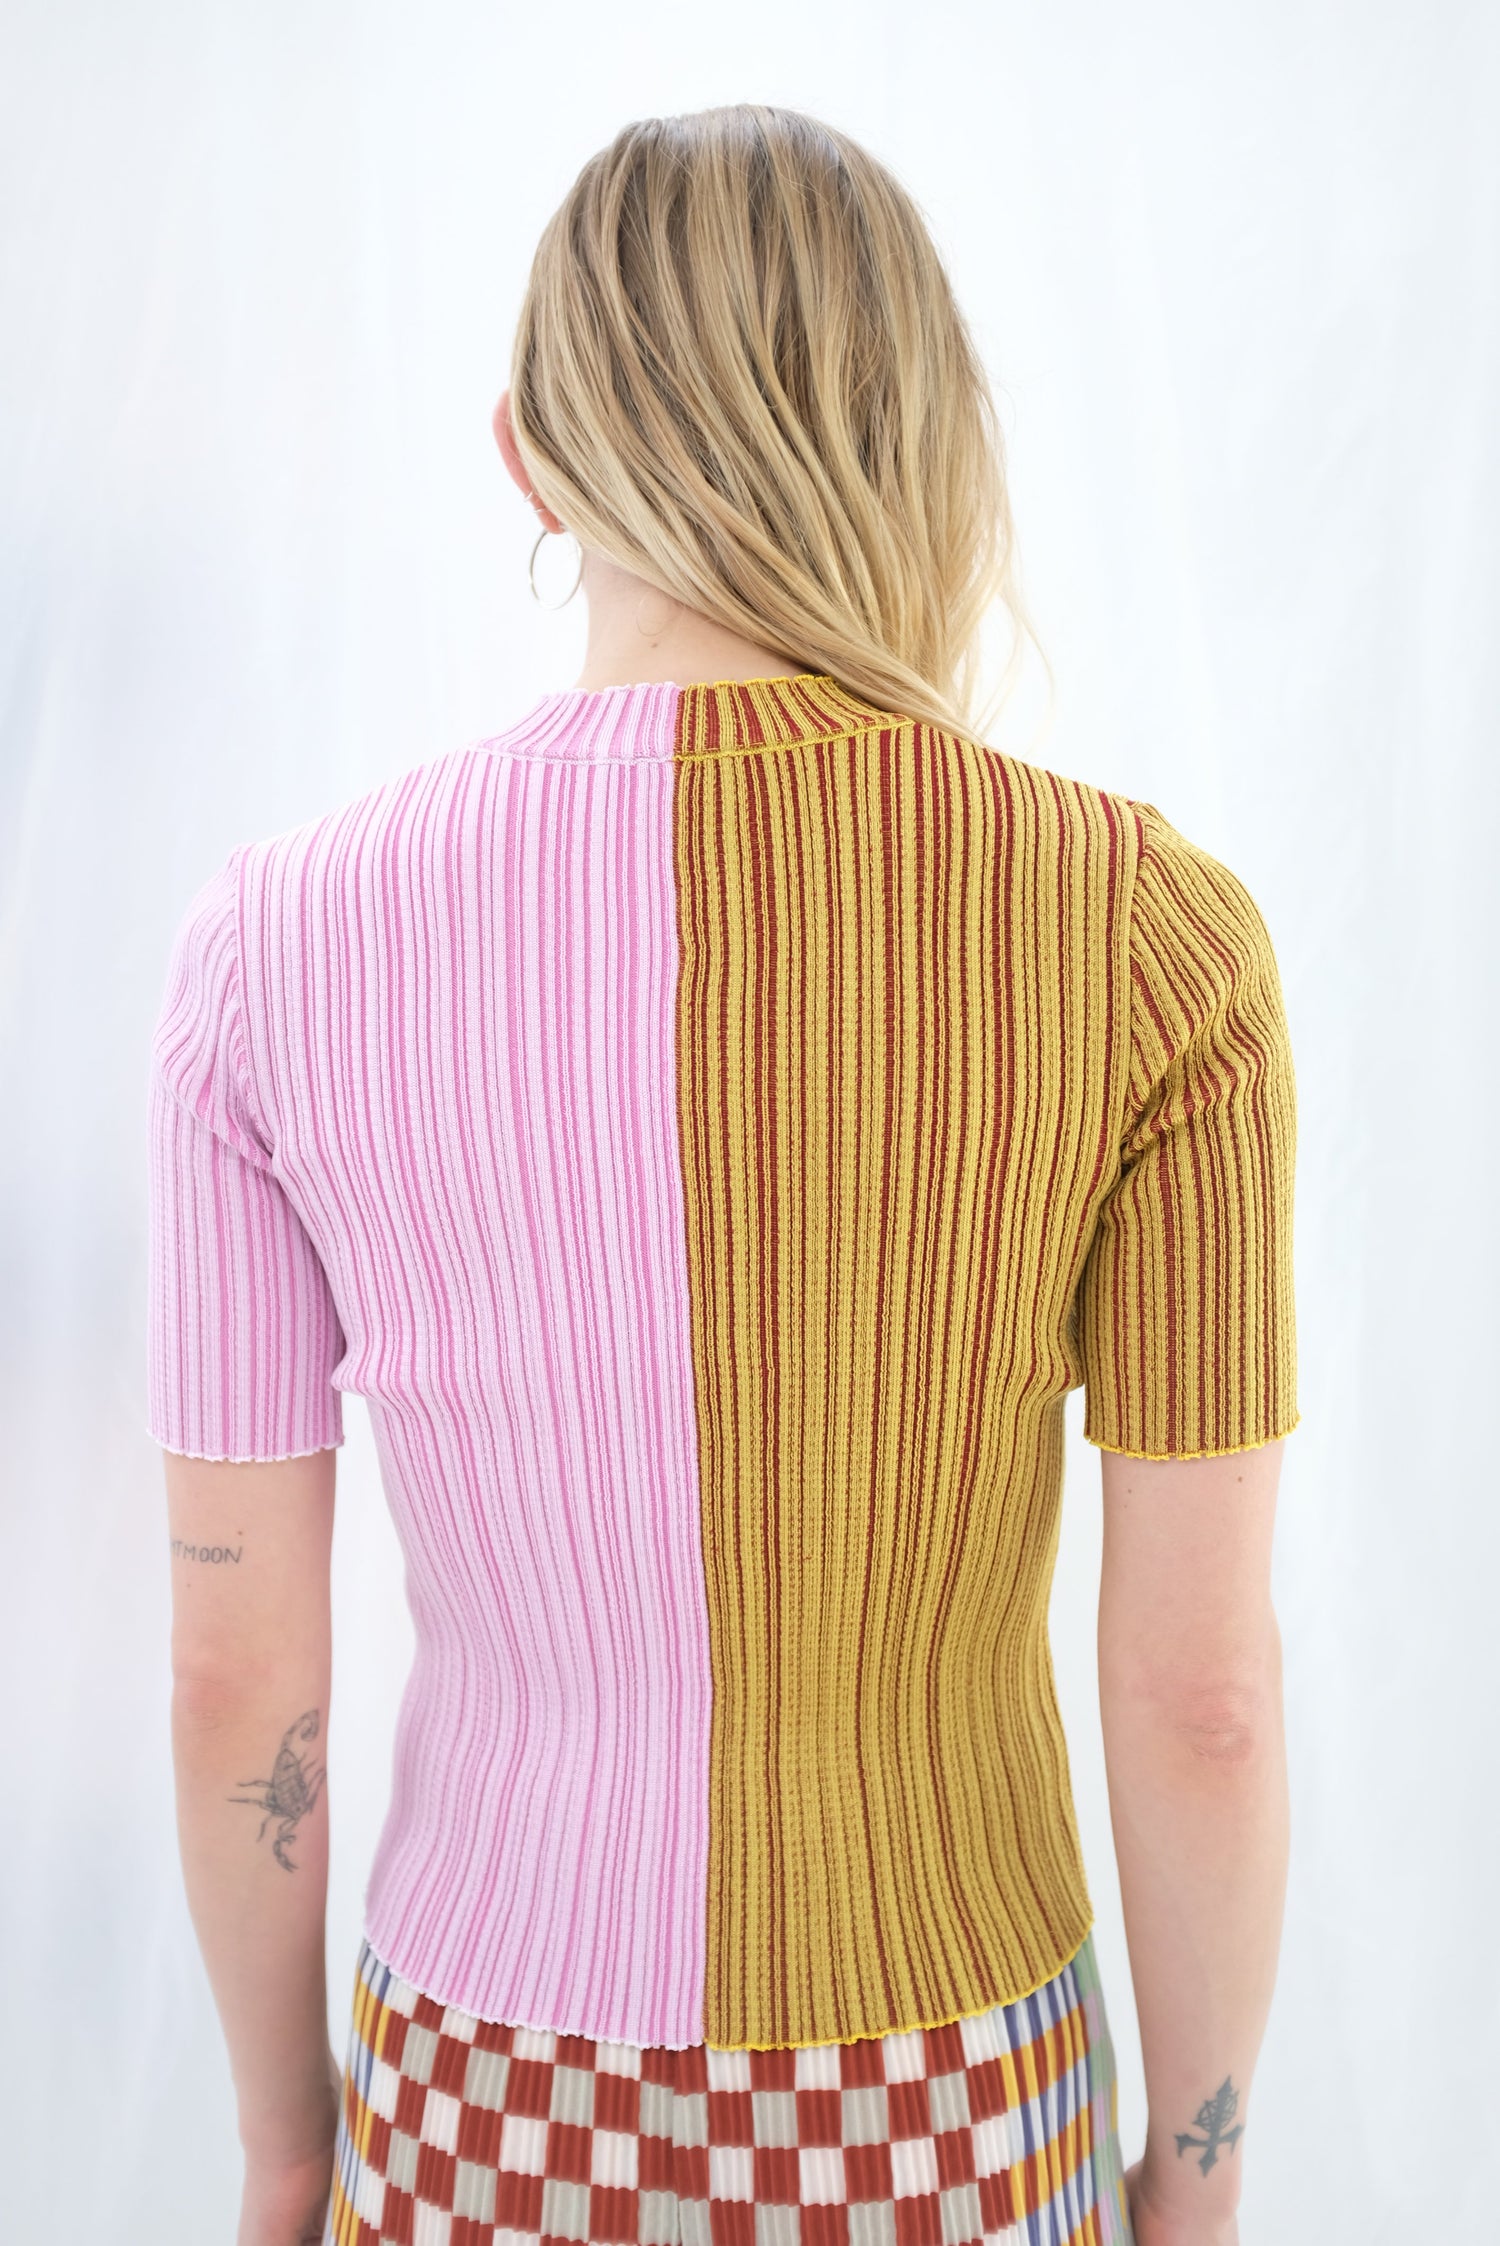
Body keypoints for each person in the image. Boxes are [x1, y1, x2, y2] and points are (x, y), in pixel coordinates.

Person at [147, 104, 1297, 2246]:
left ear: (531, 458)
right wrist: (1197, 2179)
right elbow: (1204, 1697)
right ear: (928, 433)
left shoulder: (274, 946)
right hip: (956, 2099)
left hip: (481, 2095)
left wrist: (292, 2148)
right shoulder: (1152, 941)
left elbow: (236, 1676)